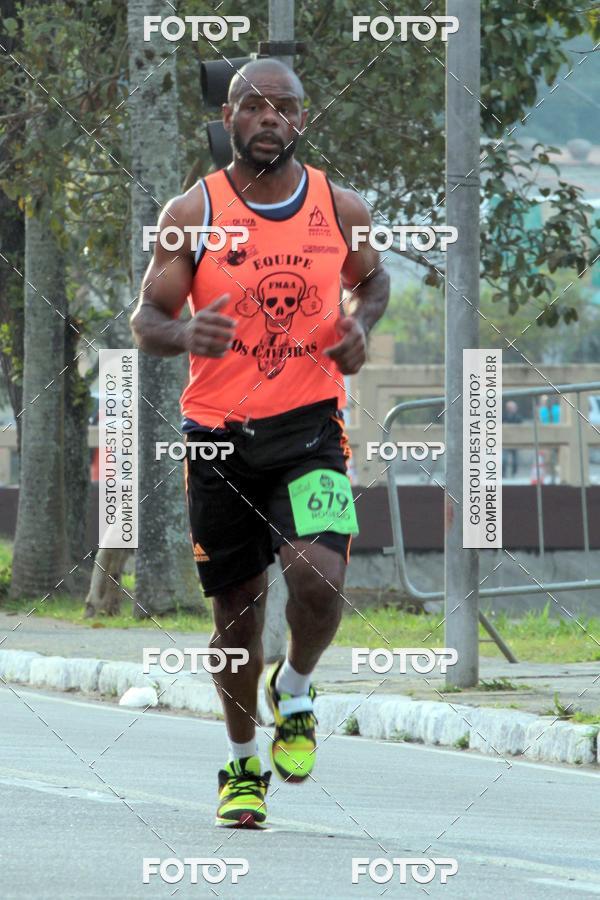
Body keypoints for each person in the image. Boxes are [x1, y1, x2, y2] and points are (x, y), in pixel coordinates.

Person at [130, 58, 390, 828]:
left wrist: (360, 327)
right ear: (229, 118)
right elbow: (146, 319)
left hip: (311, 430)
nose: (269, 117)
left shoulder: (340, 207)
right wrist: (185, 334)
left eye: (284, 106)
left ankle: (296, 689)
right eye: (252, 105)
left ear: (302, 119)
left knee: (321, 576)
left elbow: (373, 282)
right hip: (217, 441)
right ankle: (243, 763)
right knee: (237, 616)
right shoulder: (193, 211)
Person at [502, 399, 522, 478]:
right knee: (504, 459)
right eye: (510, 408)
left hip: (515, 441)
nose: (512, 409)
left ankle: (514, 474)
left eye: (513, 407)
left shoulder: (518, 417)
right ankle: (503, 474)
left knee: (515, 460)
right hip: (505, 441)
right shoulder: (503, 417)